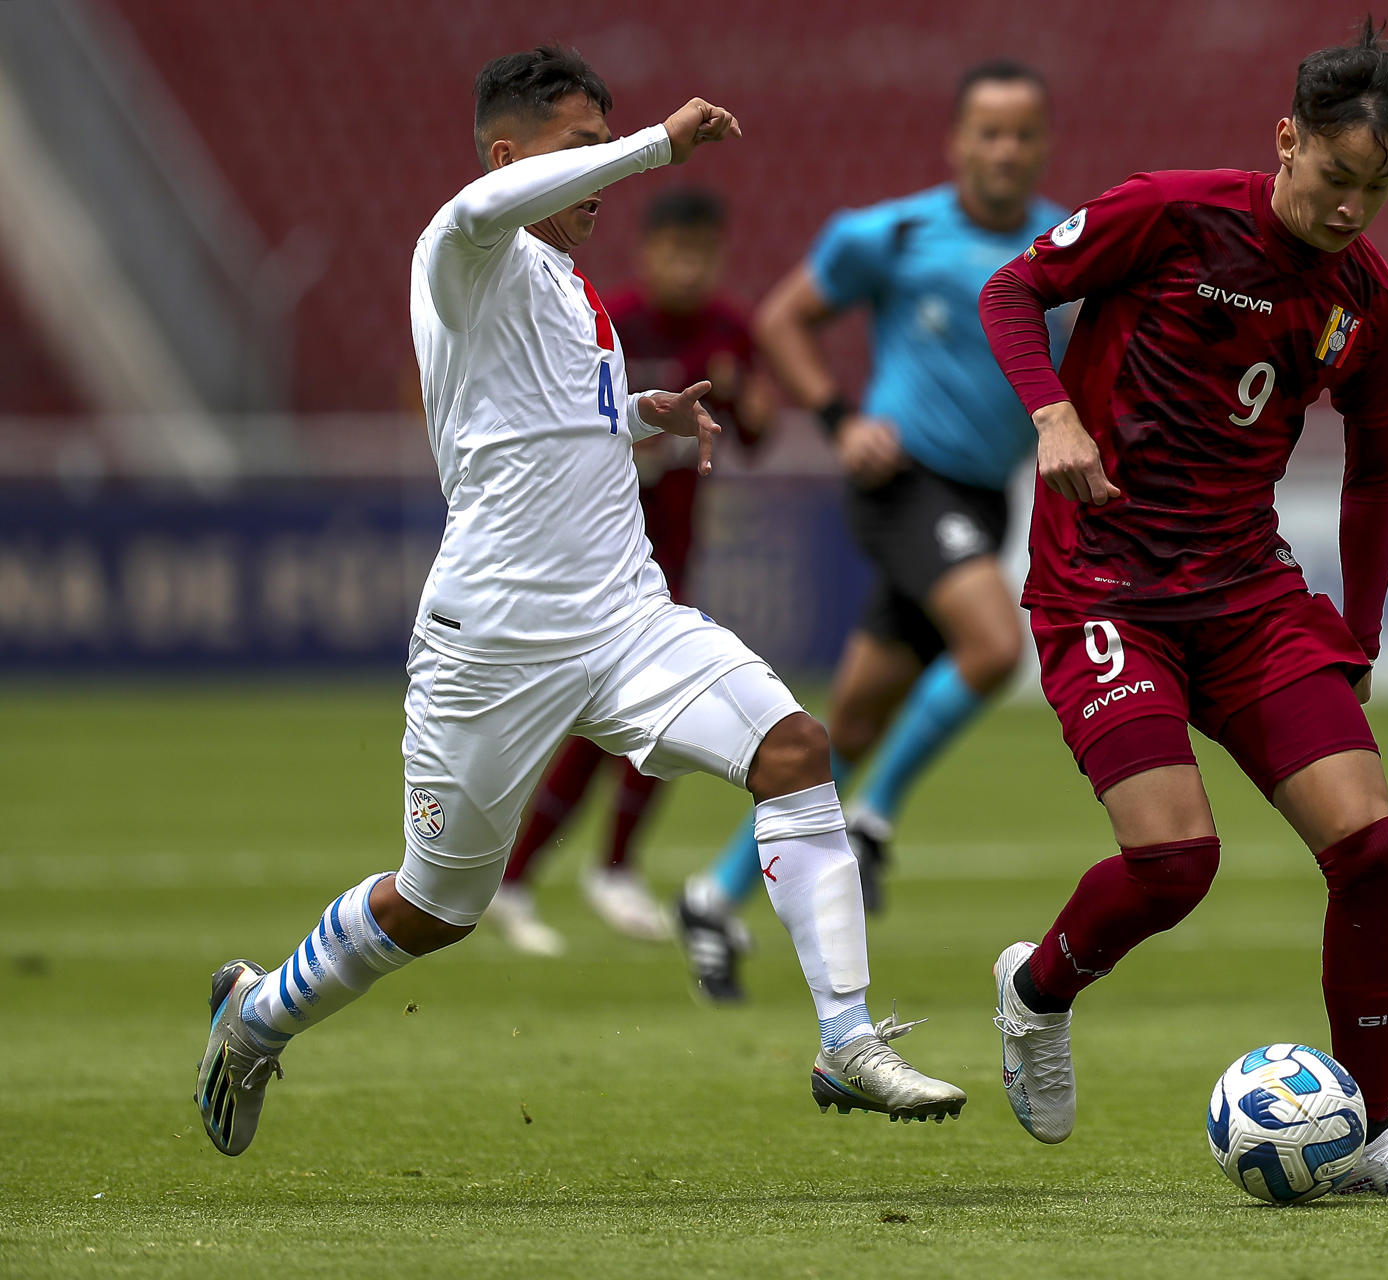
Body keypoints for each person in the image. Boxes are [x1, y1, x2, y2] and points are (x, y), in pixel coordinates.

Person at [193, 47, 963, 1158]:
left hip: (624, 618)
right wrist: (659, 142)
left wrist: (643, 409)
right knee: (437, 906)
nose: (601, 174)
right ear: (510, 156)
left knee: (795, 748)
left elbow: (551, 417)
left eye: (609, 149)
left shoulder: (570, 289)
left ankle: (845, 1036)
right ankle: (255, 1015)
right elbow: (484, 206)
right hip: (494, 639)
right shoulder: (464, 246)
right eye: (582, 149)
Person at [976, 21, 1388, 1197]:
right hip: (1104, 582)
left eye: (1381, 186)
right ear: (1286, 141)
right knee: (1175, 863)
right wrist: (1052, 413)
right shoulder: (1173, 212)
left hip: (1248, 592)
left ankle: (1366, 1136)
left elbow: (1374, 470)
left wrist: (1360, 627)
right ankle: (1035, 991)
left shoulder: (1373, 306)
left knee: (1373, 848)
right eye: (1336, 176)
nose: (1354, 207)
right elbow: (1014, 288)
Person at [675, 59, 1069, 1001]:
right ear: (957, 142)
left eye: (1022, 132)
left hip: (979, 500)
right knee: (992, 646)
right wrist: (841, 418)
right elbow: (783, 319)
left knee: (850, 719)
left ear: (1041, 144)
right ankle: (877, 818)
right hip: (903, 484)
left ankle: (714, 894)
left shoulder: (1063, 247)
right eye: (989, 131)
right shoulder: (890, 233)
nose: (1005, 149)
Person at [485, 188, 774, 955]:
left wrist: (741, 397)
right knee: (614, 713)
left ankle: (570, 874)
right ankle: (547, 874)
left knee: (649, 712)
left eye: (701, 253)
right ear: (647, 253)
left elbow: (758, 435)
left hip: (667, 557)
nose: (688, 266)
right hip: (585, 553)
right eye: (675, 251)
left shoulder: (729, 332)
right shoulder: (605, 316)